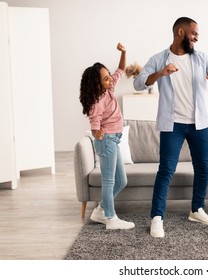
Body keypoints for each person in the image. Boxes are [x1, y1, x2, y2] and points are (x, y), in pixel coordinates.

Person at [134, 17, 208, 238]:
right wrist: (161, 73)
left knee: (203, 168)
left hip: (200, 123)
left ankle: (197, 209)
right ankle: (157, 217)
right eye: (194, 33)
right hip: (173, 125)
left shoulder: (201, 58)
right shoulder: (159, 59)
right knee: (166, 170)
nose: (197, 37)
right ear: (181, 32)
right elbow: (138, 83)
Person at [79, 43, 135, 230]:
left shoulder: (109, 89)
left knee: (121, 181)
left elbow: (120, 69)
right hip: (107, 141)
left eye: (108, 75)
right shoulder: (98, 100)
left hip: (114, 141)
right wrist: (96, 132)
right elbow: (94, 121)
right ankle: (111, 219)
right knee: (109, 181)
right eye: (105, 78)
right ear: (97, 84)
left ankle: (100, 210)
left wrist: (124, 52)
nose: (111, 79)